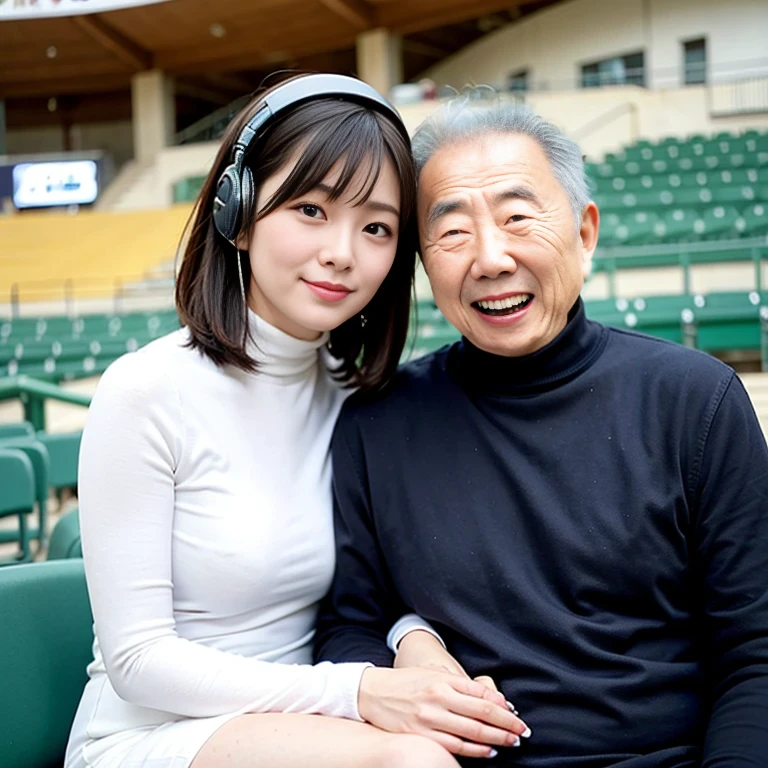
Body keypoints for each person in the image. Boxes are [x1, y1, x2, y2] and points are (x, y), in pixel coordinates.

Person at [64, 75, 528, 768]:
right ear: (239, 212)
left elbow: (366, 589)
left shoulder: (357, 398)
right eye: (311, 209)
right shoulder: (145, 391)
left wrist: (412, 642)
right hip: (151, 731)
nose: (343, 251)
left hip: (311, 719)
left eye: (375, 228)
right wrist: (363, 691)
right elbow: (138, 660)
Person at [315, 94, 768, 767]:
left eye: (518, 218)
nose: (491, 259)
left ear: (585, 232)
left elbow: (754, 656)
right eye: (454, 232)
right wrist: (403, 659)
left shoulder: (695, 399)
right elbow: (349, 626)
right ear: (423, 261)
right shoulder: (375, 422)